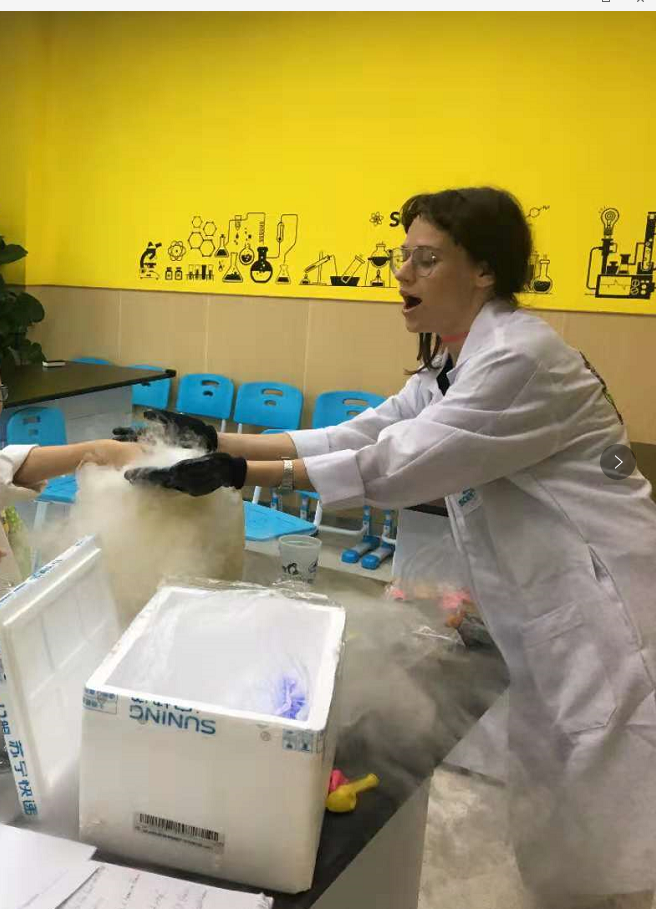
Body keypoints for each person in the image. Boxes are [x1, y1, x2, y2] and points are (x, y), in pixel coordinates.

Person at [122, 187, 656, 909]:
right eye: (402, 256)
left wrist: (242, 472)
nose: (402, 272)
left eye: (426, 259)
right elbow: (363, 432)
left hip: (604, 607)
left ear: (485, 271)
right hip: (548, 605)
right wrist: (223, 441)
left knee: (608, 803)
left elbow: (398, 463)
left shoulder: (519, 359)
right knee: (554, 784)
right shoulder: (453, 363)